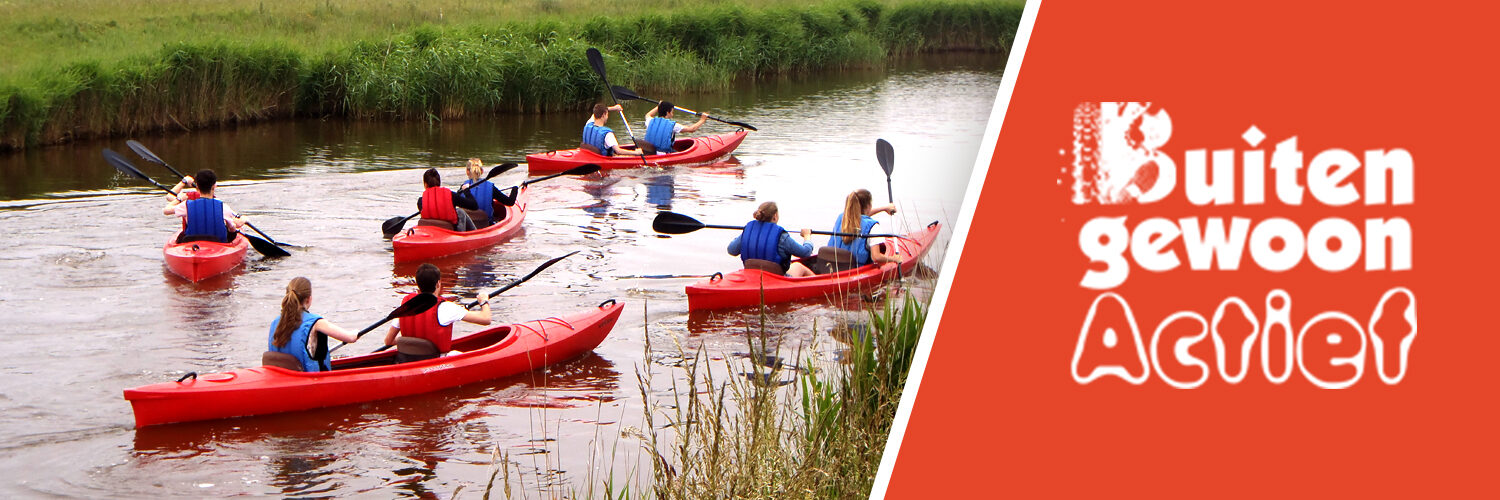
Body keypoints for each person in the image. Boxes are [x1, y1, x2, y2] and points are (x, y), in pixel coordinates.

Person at [383, 263, 498, 363]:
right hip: (434, 361)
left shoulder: (406, 306)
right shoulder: (447, 308)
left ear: (418, 284)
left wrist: (410, 342)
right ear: (438, 284)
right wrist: (484, 302)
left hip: (405, 359)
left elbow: (388, 341)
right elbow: (486, 319)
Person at [787, 189, 902, 276]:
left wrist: (883, 208)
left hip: (826, 269)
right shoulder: (874, 227)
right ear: (869, 205)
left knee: (796, 267)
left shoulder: (842, 218)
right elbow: (876, 257)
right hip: (849, 274)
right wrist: (894, 259)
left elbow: (860, 217)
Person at [267, 277, 359, 372]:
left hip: (283, 379)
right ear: (309, 299)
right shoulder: (316, 323)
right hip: (310, 382)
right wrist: (355, 332)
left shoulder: (275, 323)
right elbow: (350, 338)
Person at [161, 169, 247, 243]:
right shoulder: (223, 207)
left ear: (197, 185)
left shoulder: (186, 204)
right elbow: (232, 229)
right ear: (214, 186)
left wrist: (179, 199)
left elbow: (166, 210)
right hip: (218, 243)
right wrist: (243, 220)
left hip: (191, 242)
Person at [727, 202, 813, 276]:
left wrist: (744, 236)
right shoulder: (782, 237)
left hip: (751, 276)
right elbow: (806, 252)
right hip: (778, 280)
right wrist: (807, 236)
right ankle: (822, 288)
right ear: (775, 216)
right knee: (798, 266)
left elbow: (731, 250)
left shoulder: (748, 231)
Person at [458, 158, 519, 228]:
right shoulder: (490, 187)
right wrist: (515, 188)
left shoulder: (462, 189)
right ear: (482, 171)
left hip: (466, 227)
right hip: (486, 225)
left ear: (467, 172)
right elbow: (510, 202)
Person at [642, 101, 709, 154]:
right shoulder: (673, 125)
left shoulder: (650, 121)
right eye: (672, 112)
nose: (672, 114)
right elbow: (692, 129)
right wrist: (702, 120)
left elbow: (648, 114)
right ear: (668, 112)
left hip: (648, 152)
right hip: (663, 154)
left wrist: (659, 106)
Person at [581, 103, 645, 157]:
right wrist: (636, 153)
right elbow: (618, 151)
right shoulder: (608, 134)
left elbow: (595, 113)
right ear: (603, 115)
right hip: (602, 159)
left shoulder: (588, 124)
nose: (607, 117)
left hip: (589, 155)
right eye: (607, 115)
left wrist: (614, 108)